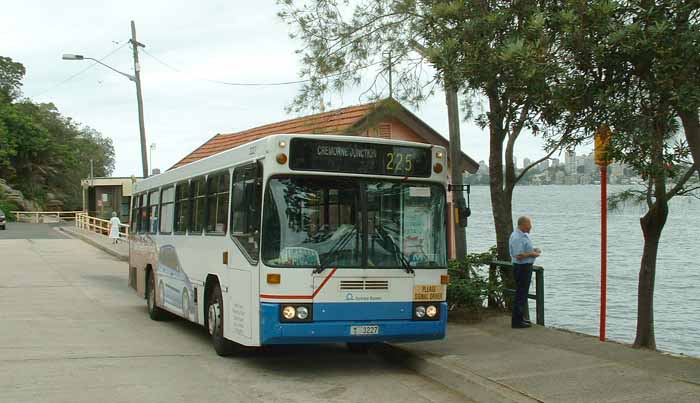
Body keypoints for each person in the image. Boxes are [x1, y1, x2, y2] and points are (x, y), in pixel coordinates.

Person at [509, 216, 541, 329]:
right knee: (520, 294)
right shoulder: (517, 237)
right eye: (529, 224)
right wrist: (532, 254)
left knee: (522, 294)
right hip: (522, 267)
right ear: (522, 225)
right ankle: (517, 322)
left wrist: (533, 250)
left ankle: (520, 318)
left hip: (525, 267)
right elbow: (518, 256)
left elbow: (524, 251)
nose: (531, 226)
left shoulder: (523, 235)